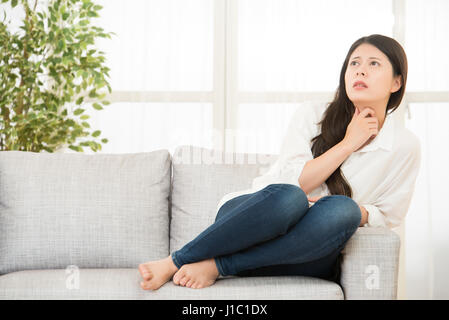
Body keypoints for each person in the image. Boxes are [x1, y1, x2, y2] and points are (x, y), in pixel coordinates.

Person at [138, 34, 421, 291]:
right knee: (290, 197)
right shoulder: (312, 114)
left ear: (397, 82)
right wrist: (349, 142)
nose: (360, 70)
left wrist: (323, 208)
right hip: (253, 219)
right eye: (354, 63)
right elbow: (295, 183)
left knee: (344, 211)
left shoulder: (404, 145)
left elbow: (389, 214)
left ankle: (218, 265)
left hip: (309, 245)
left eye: (374, 64)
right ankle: (179, 260)